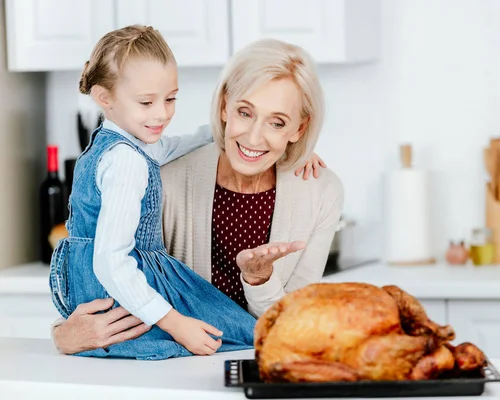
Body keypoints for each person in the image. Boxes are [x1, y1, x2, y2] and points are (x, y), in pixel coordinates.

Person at [52, 38, 344, 356]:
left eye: (277, 122)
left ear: (299, 129)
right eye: (244, 113)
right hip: (174, 373)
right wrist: (62, 335)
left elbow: (294, 325)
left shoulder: (320, 191)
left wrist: (260, 281)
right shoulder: (163, 174)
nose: (254, 137)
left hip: (262, 364)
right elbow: (108, 277)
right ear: (224, 107)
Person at [49, 25, 258, 360]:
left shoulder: (116, 142)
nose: (161, 113)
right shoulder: (125, 162)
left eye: (171, 98)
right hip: (119, 290)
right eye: (147, 102)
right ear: (104, 98)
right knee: (241, 333)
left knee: (236, 334)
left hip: (92, 287)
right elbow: (111, 261)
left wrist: (222, 132)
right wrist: (176, 323)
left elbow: (169, 147)